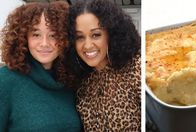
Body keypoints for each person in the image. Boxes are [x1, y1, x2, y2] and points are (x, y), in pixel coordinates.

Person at [0, 1, 83, 131]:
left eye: (53, 35)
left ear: (65, 38)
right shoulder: (5, 80)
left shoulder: (70, 80)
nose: (44, 43)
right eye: (36, 34)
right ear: (23, 37)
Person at [64, 0, 141, 131]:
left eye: (96, 35)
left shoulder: (136, 68)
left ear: (111, 34)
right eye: (80, 37)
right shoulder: (80, 81)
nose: (87, 45)